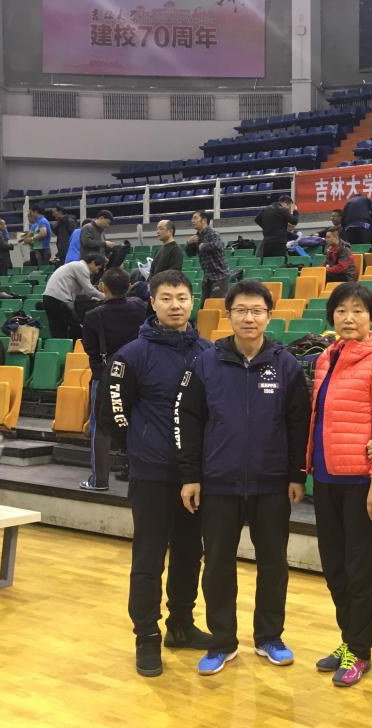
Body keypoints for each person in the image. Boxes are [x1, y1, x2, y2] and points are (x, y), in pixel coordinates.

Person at [176, 280, 310, 676]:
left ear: (269, 315)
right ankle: (222, 641)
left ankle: (270, 637)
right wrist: (191, 475)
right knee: (218, 564)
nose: (249, 318)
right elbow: (188, 421)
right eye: (241, 310)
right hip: (219, 482)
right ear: (229, 315)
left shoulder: (286, 365)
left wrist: (296, 474)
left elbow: (298, 424)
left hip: (272, 484)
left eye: (256, 311)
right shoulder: (205, 363)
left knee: (274, 564)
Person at [105, 269, 213, 677]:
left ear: (192, 301)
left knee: (189, 553)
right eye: (166, 298)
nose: (175, 305)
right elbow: (114, 414)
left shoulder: (207, 352)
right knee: (149, 556)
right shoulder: (131, 355)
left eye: (182, 298)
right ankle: (146, 636)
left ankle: (181, 625)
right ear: (152, 302)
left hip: (194, 475)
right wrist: (142, 447)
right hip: (151, 472)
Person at [308, 282, 372, 688]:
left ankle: (360, 651)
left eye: (358, 311)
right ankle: (349, 639)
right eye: (342, 310)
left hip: (363, 482)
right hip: (326, 477)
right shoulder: (326, 357)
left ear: (370, 317)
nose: (349, 318)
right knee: (335, 569)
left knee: (360, 571)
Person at [80, 268, 147, 491]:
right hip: (137, 374)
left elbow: (90, 349)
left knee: (101, 428)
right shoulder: (140, 307)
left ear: (103, 287)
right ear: (128, 285)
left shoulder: (93, 315)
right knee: (138, 424)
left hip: (105, 375)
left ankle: (99, 481)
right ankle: (137, 476)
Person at [42, 254, 106, 339]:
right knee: (75, 325)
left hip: (49, 297)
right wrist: (106, 297)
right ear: (93, 263)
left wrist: (95, 296)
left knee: (57, 330)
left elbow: (83, 291)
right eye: (98, 268)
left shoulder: (75, 266)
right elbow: (89, 290)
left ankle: (59, 346)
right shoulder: (82, 267)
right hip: (59, 299)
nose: (97, 272)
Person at [186, 210, 230, 298]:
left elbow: (218, 245)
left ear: (204, 220)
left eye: (195, 218)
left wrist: (203, 246)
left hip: (220, 277)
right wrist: (188, 243)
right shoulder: (197, 236)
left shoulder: (213, 233)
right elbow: (190, 254)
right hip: (207, 277)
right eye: (192, 218)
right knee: (204, 304)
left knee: (215, 304)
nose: (192, 221)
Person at [255, 195, 298, 262]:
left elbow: (257, 219)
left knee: (268, 262)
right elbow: (294, 221)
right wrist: (295, 211)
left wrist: (268, 227)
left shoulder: (266, 209)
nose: (288, 209)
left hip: (267, 242)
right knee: (281, 262)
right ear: (285, 203)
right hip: (279, 242)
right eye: (289, 206)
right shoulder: (282, 210)